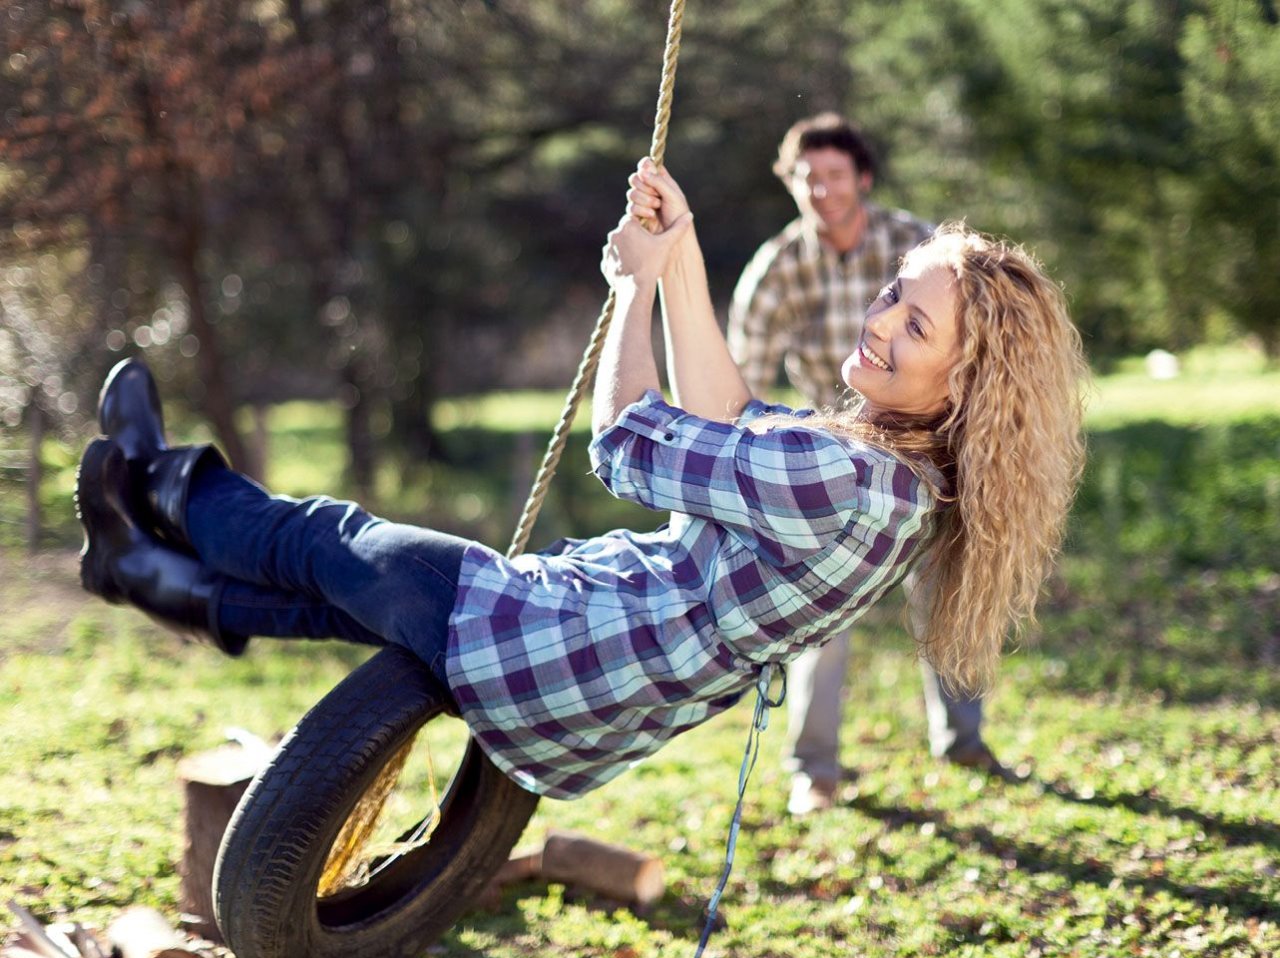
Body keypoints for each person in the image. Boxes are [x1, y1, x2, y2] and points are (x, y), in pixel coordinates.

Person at [75, 160, 1087, 805]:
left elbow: (632, 443)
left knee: (328, 542)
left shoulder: (845, 475)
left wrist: (631, 286)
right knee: (346, 605)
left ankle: (151, 479)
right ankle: (151, 576)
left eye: (913, 328)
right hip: (586, 690)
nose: (875, 323)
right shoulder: (901, 485)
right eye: (887, 297)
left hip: (546, 641)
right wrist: (681, 256)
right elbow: (729, 419)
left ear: (965, 386)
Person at [725, 113, 1007, 815]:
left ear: (864, 179)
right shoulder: (778, 267)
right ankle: (814, 769)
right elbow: (743, 379)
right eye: (806, 177)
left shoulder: (913, 245)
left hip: (925, 441)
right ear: (790, 185)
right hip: (834, 449)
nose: (822, 190)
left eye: (835, 175)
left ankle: (963, 737)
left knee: (949, 585)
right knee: (819, 611)